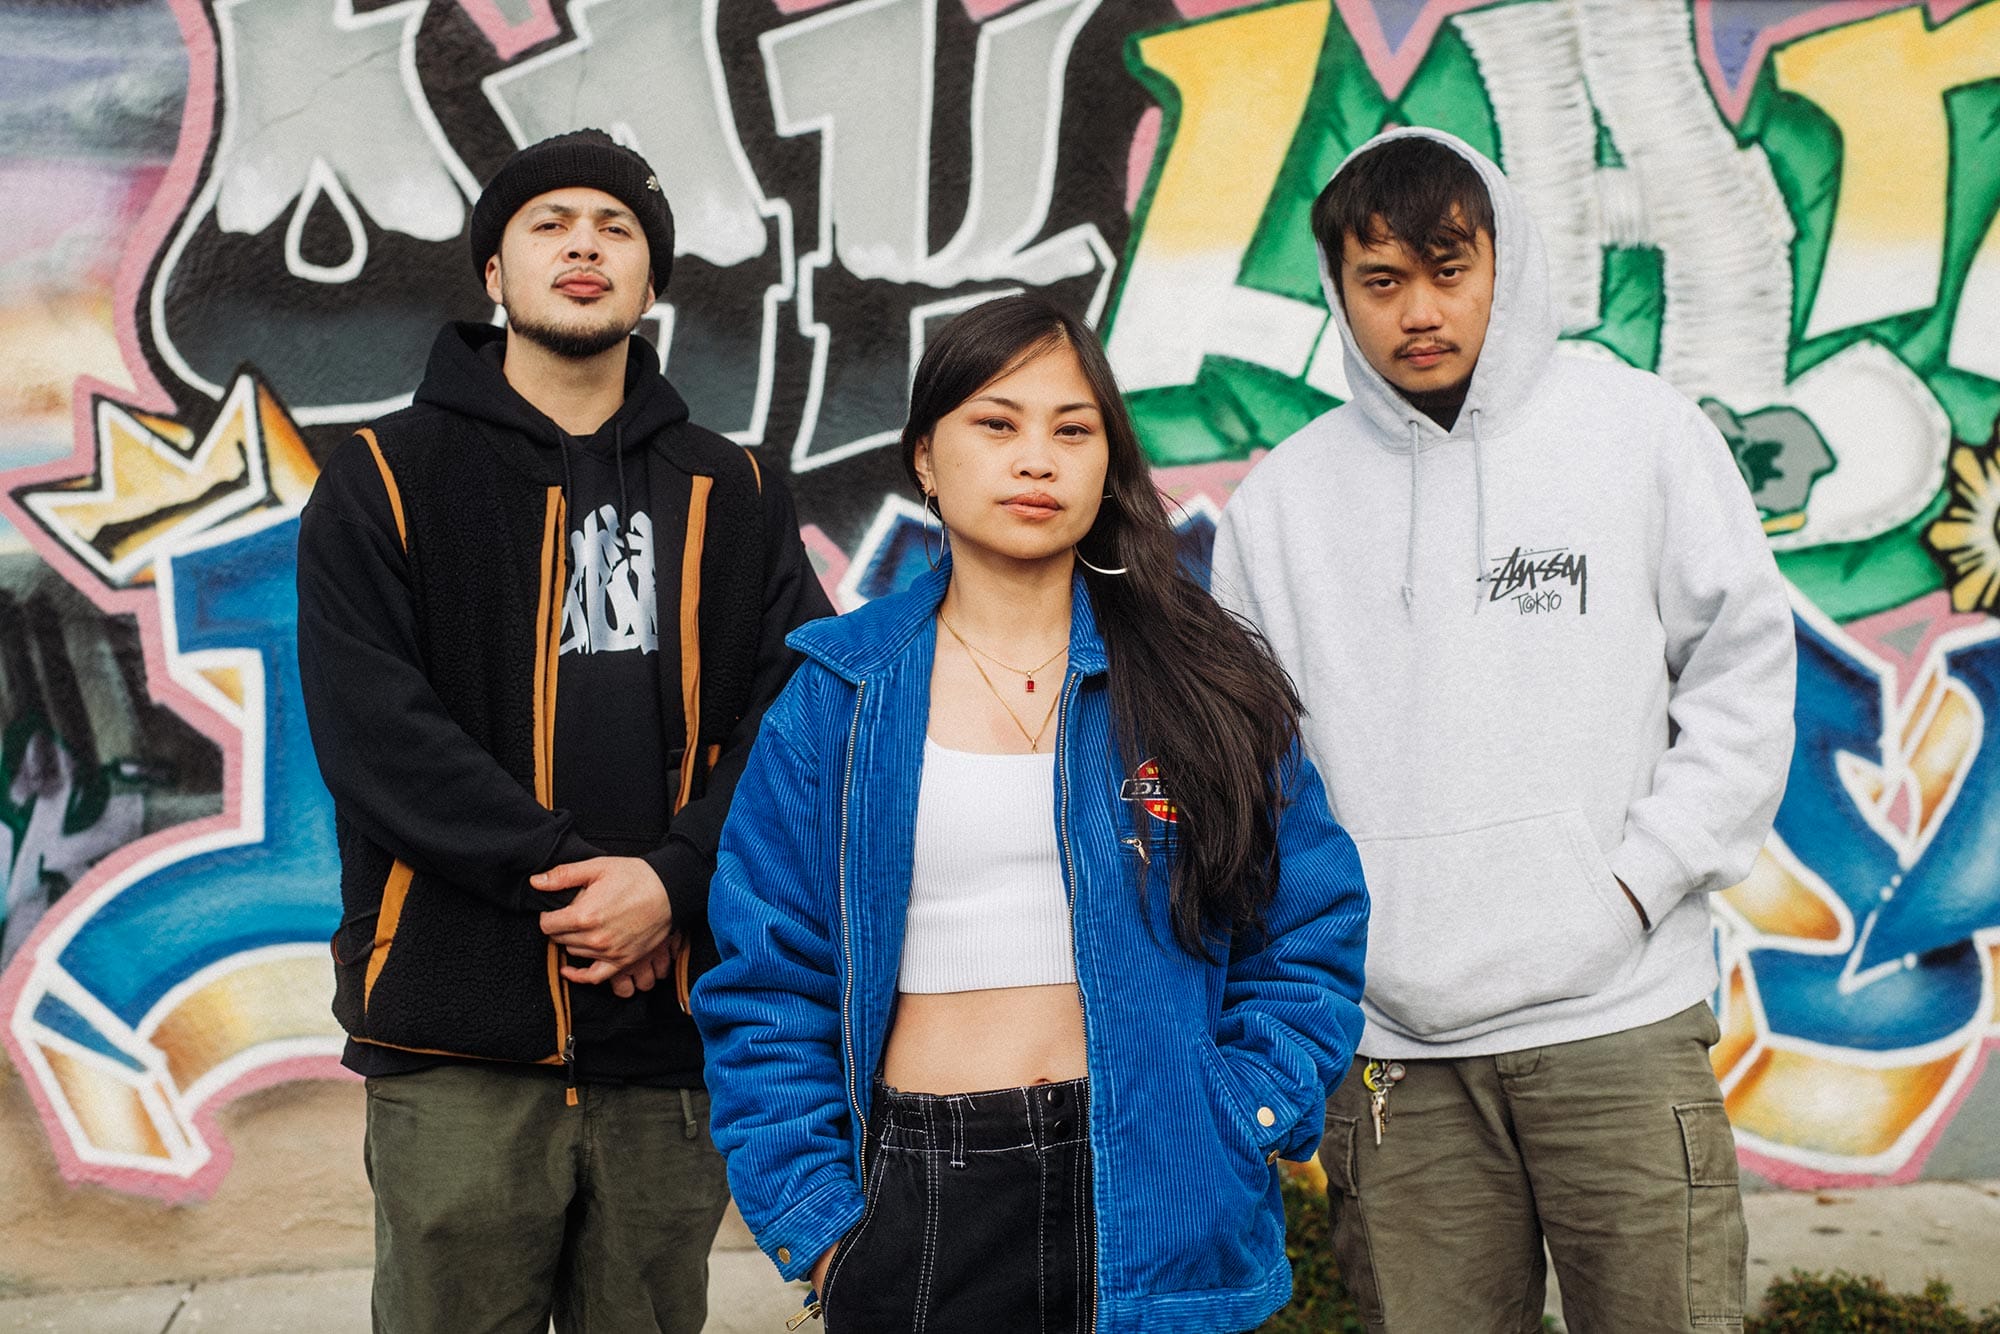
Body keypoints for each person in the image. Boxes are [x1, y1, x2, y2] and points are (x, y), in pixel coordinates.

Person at [1210, 128, 1797, 1333]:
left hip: (1615, 1022)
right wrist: (1330, 957)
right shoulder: (1277, 508)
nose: (1417, 310)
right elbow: (1255, 774)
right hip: (1392, 1056)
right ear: (1341, 293)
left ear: (1504, 264)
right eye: (1381, 281)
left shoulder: (1638, 435)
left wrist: (1631, 885)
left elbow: (1742, 678)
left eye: (1446, 268)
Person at [691, 295, 1370, 1332]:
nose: (1035, 458)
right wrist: (826, 1228)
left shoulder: (1198, 681)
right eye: (996, 424)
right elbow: (763, 981)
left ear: (1105, 463)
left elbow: (1309, 921)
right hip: (921, 1193)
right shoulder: (839, 695)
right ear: (926, 455)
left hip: (1157, 1181)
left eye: (1071, 428)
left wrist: (1241, 1110)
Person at [296, 129, 831, 1334]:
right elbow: (377, 730)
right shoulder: (384, 475)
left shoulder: (734, 488)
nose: (582, 243)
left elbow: (799, 713)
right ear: (493, 271)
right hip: (458, 1032)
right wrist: (589, 889)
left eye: (616, 226)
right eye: (547, 223)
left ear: (651, 282)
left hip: (669, 1030)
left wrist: (673, 880)